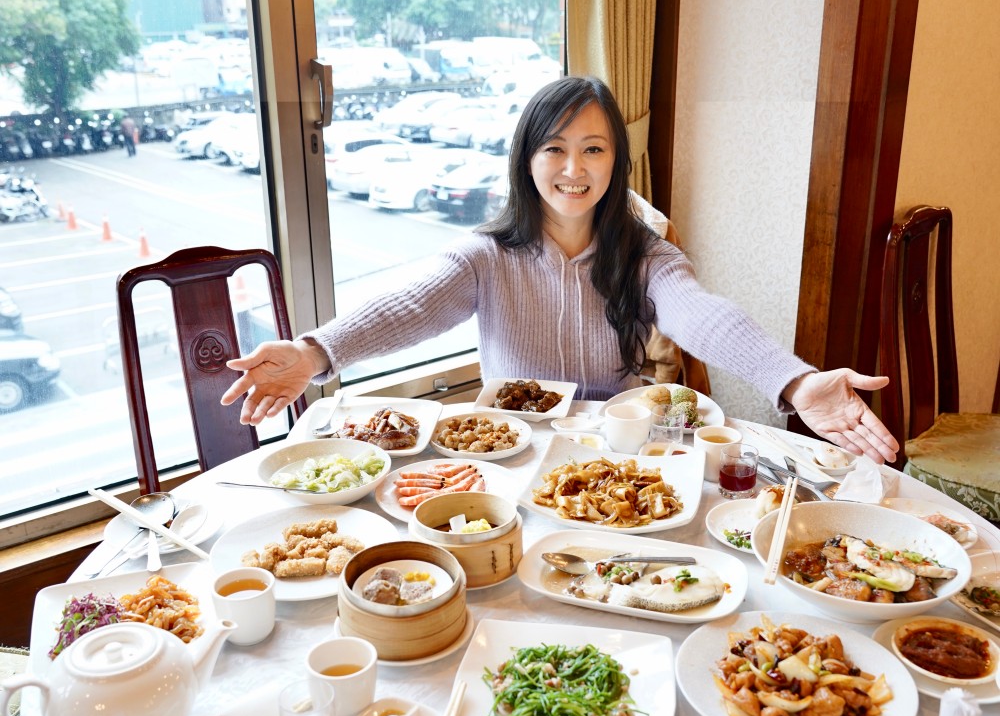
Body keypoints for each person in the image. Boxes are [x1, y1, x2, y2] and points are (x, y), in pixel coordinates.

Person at [221, 76, 898, 464]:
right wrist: (316, 351)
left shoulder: (644, 254)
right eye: (555, 148)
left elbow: (702, 314)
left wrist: (795, 379)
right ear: (527, 160)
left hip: (621, 452)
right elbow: (412, 303)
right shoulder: (488, 256)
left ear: (615, 161)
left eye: (593, 149)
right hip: (511, 456)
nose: (574, 170)